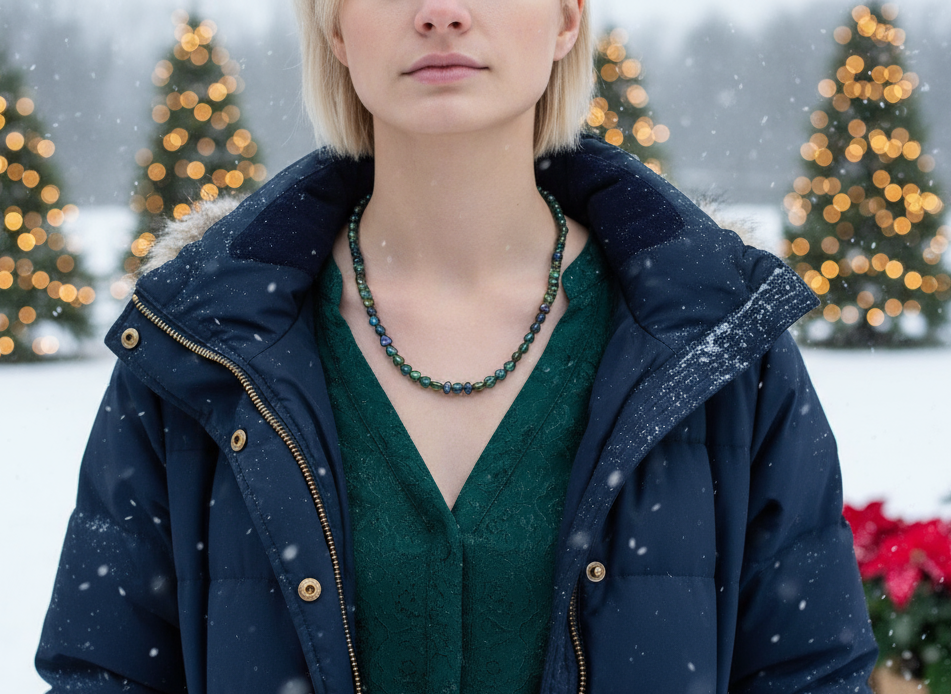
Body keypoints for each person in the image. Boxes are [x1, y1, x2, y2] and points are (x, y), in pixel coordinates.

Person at [36, 0, 879, 691]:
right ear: (336, 27)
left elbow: (809, 674)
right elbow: (103, 673)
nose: (440, 12)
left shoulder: (722, 346)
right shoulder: (196, 349)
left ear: (565, 18)